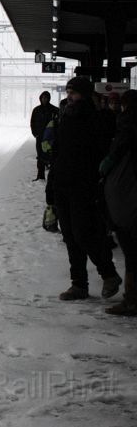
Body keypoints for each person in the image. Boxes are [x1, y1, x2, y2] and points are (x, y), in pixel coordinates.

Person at [51, 76, 121, 301]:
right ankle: (78, 284)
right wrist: (50, 189)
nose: (69, 96)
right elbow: (58, 154)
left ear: (85, 94)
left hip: (84, 186)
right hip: (63, 184)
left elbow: (103, 149)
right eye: (68, 91)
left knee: (84, 233)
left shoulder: (96, 118)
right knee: (70, 237)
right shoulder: (65, 117)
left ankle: (109, 274)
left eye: (74, 92)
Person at [100, 89, 137, 316]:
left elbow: (115, 157)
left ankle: (132, 300)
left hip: (129, 200)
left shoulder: (127, 128)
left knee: (132, 251)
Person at [30, 91, 58, 180]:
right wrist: (35, 134)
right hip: (40, 137)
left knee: (52, 156)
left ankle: (53, 177)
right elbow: (32, 122)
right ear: (40, 98)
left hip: (51, 138)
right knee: (40, 156)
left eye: (46, 98)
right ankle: (40, 176)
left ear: (49, 99)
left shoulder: (54, 110)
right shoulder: (36, 110)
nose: (44, 99)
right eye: (43, 98)